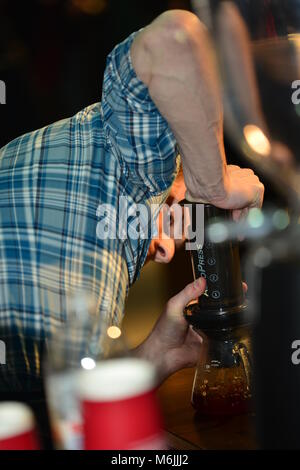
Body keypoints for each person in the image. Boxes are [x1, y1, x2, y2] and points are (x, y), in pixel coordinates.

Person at [0, 10, 264, 446]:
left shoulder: (93, 225)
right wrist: (212, 186)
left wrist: (154, 356)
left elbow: (66, 419)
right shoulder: (125, 151)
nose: (168, 248)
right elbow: (175, 37)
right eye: (189, 223)